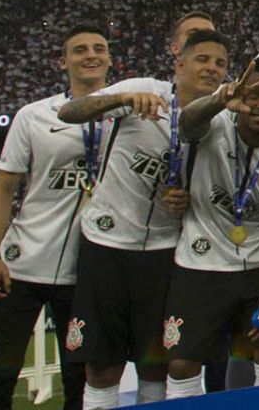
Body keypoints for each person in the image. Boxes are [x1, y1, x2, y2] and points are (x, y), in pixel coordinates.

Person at [59, 27, 228, 408]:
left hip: (167, 251)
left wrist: (187, 199)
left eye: (220, 64)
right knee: (102, 364)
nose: (212, 69)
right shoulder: (143, 90)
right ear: (179, 63)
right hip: (108, 243)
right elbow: (69, 112)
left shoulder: (218, 119)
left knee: (156, 363)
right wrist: (118, 98)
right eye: (202, 59)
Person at [0, 25, 112, 410]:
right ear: (62, 61)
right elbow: (3, 188)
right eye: (80, 49)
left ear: (110, 60)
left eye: (99, 48)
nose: (91, 55)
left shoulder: (126, 114)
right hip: (22, 266)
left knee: (80, 380)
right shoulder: (33, 116)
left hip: (85, 273)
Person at [162, 52, 259, 398]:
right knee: (182, 364)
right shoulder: (212, 126)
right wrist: (219, 100)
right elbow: (186, 124)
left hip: (258, 267)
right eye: (255, 95)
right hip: (199, 265)